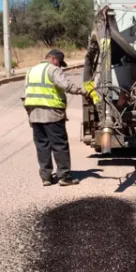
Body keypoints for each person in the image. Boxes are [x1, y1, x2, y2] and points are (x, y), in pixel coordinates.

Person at [22, 49, 89, 187]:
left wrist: (29, 115)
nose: (59, 67)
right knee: (59, 145)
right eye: (59, 64)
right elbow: (66, 85)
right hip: (51, 113)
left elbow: (25, 94)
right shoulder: (52, 69)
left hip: (34, 114)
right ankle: (64, 176)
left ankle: (46, 177)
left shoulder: (31, 71)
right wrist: (83, 91)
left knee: (42, 146)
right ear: (55, 60)